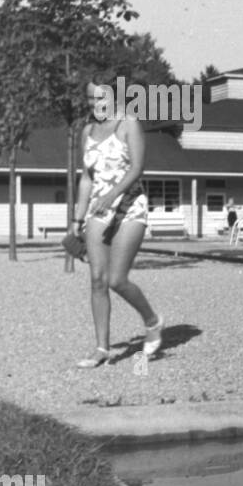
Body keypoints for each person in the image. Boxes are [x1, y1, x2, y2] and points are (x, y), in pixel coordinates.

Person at [70, 108, 163, 368]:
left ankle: (152, 321)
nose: (95, 102)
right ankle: (102, 348)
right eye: (90, 97)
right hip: (98, 210)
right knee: (97, 280)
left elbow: (137, 168)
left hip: (129, 206)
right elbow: (87, 179)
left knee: (116, 279)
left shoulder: (129, 123)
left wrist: (111, 196)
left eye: (102, 96)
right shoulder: (87, 132)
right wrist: (77, 219)